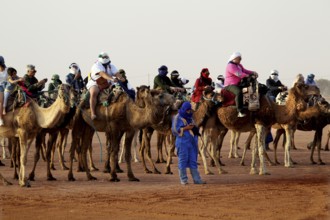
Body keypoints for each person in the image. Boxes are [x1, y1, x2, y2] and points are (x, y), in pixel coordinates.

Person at [172, 101, 205, 185]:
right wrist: (186, 128)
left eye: (189, 110)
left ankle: (197, 179)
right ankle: (184, 180)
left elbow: (194, 126)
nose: (188, 111)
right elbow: (174, 130)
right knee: (182, 160)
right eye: (187, 110)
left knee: (193, 160)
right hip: (182, 142)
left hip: (192, 142)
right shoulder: (177, 117)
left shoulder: (190, 117)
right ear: (183, 109)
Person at [86, 52, 124, 120]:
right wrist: (112, 78)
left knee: (120, 92)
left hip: (108, 83)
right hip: (96, 83)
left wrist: (121, 78)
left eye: (106, 57)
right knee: (93, 93)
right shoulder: (96, 65)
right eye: (103, 57)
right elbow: (102, 74)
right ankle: (93, 113)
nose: (105, 58)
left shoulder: (111, 66)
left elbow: (117, 73)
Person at [224, 52, 257, 117]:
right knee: (239, 92)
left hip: (239, 84)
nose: (240, 60)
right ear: (234, 58)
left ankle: (253, 106)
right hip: (230, 85)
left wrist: (253, 72)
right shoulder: (230, 66)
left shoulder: (239, 65)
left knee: (251, 89)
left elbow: (244, 71)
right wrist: (248, 76)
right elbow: (239, 74)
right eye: (239, 59)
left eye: (240, 59)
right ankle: (240, 111)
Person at [0, 56, 8, 126]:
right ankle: (1, 118)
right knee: (1, 101)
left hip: (8, 86)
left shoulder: (7, 69)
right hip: (0, 87)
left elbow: (13, 76)